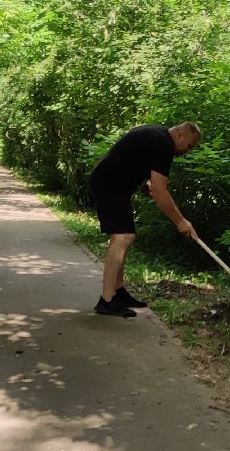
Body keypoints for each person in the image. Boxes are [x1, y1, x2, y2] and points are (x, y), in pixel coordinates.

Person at [87, 122, 202, 318]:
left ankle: (118, 292)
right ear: (180, 135)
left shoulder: (157, 134)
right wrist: (181, 221)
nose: (187, 151)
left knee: (125, 237)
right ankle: (107, 300)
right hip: (110, 185)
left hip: (113, 185)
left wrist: (145, 183)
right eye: (189, 146)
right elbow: (160, 191)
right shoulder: (164, 145)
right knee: (123, 237)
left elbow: (134, 159)